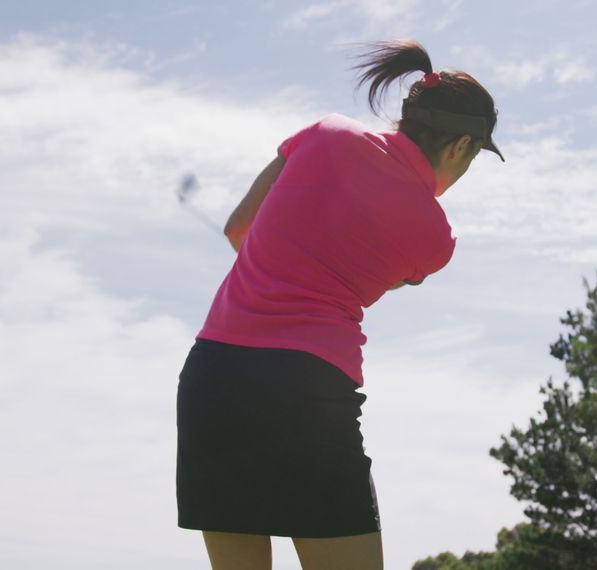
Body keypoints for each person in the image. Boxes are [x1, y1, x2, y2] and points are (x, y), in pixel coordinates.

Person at [175, 39, 503, 570]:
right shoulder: (435, 239)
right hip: (306, 392)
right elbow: (381, 275)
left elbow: (239, 230)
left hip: (214, 379)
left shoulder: (324, 132)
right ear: (460, 146)